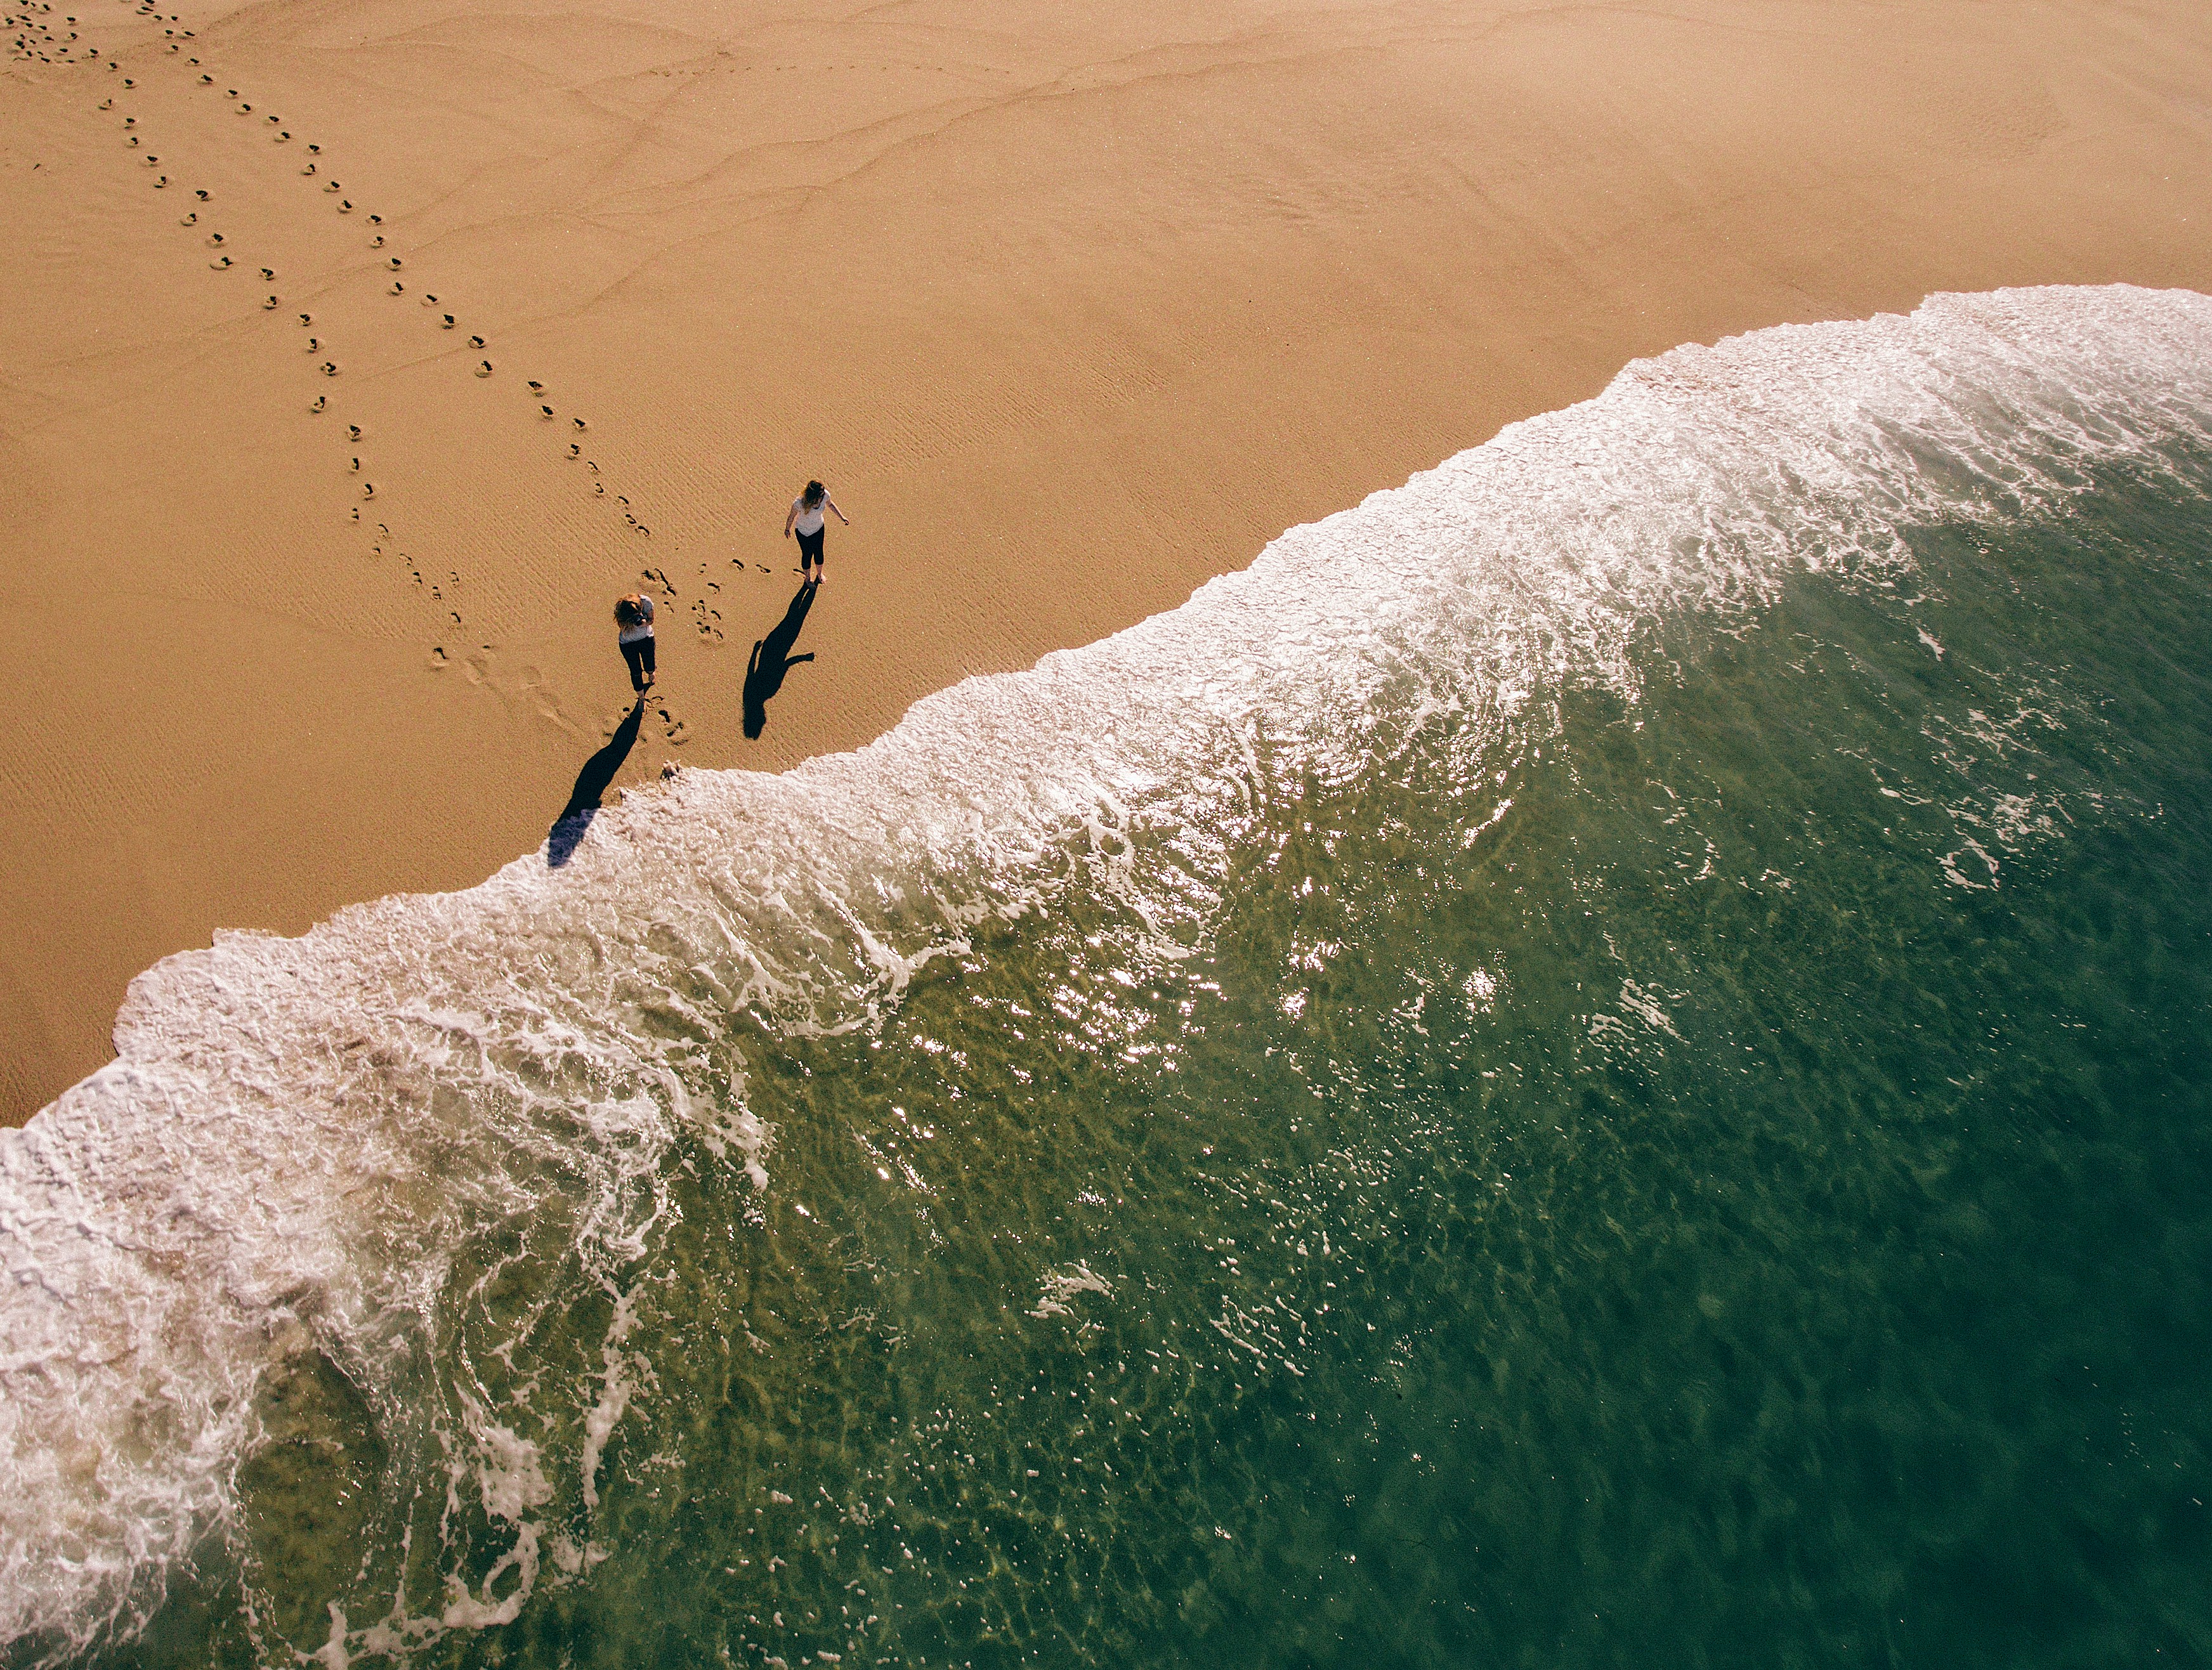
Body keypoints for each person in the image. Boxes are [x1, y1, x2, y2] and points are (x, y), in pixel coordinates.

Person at [783, 479, 847, 583]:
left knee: (819, 552)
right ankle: (808, 579)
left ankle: (820, 574)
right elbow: (792, 516)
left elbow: (830, 504)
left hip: (819, 529)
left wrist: (842, 517)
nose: (823, 496)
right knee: (807, 554)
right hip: (803, 532)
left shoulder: (825, 495)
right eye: (820, 494)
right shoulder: (799, 502)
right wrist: (787, 529)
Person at [613, 592, 655, 693]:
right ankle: (641, 697)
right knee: (635, 671)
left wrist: (644, 623)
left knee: (650, 665)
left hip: (646, 638)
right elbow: (621, 626)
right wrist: (630, 623)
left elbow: (651, 620)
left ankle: (651, 673)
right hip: (628, 644)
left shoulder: (646, 602)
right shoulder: (621, 610)